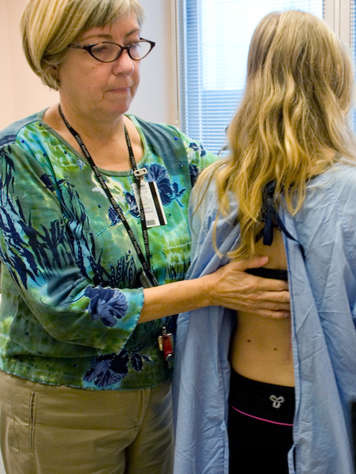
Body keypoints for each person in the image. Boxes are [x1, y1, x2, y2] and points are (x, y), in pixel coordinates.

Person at [0, 1, 290, 473]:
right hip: (65, 403)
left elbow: (245, 188)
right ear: (53, 59)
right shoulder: (21, 158)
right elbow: (65, 306)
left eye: (133, 45)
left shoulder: (168, 148)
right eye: (102, 48)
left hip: (162, 393)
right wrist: (209, 292)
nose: (126, 66)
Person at [173, 10, 356, 474]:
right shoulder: (346, 193)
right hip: (323, 414)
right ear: (333, 83)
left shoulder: (219, 186)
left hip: (240, 403)